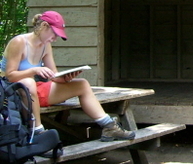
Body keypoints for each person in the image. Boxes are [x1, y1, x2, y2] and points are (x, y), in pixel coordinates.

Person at [0, 11, 135, 141]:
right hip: (10, 92)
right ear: (44, 26)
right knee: (28, 83)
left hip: (34, 90)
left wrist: (64, 78)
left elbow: (53, 75)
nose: (55, 39)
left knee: (81, 84)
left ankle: (109, 127)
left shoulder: (46, 46)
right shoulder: (19, 42)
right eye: (54, 34)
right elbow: (10, 76)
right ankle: (37, 132)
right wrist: (34, 70)